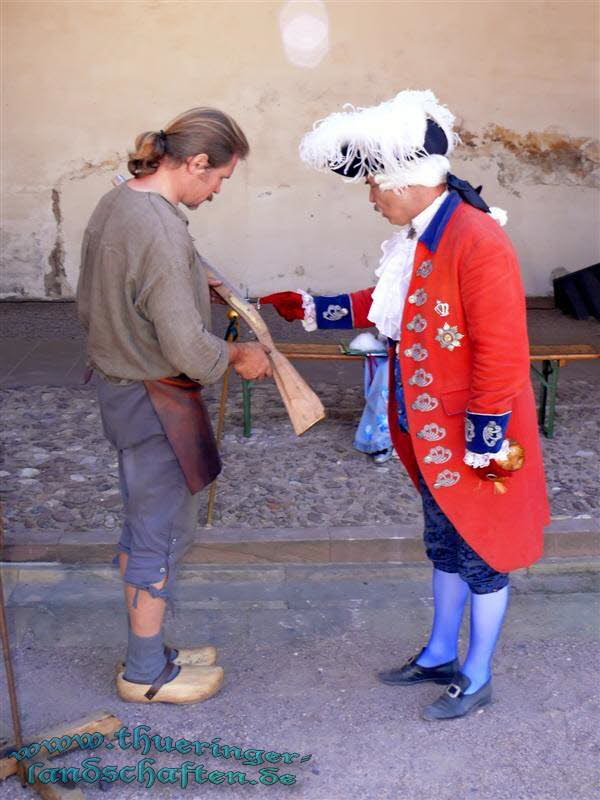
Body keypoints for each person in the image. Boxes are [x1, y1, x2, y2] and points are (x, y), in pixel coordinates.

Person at [261, 90, 550, 720]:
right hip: (429, 430)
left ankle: (476, 673)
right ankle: (442, 651)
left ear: (408, 182)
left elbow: (503, 353)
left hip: (475, 435)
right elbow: (391, 300)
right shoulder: (426, 231)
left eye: (375, 185)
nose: (371, 197)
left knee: (484, 551)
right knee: (444, 544)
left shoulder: (477, 239)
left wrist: (485, 444)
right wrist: (314, 308)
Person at [77, 107, 272, 704]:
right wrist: (240, 359)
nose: (215, 191)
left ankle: (151, 646)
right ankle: (143, 673)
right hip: (153, 398)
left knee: (152, 525)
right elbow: (188, 347)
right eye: (218, 179)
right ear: (194, 163)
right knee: (155, 535)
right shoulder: (159, 229)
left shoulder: (122, 201)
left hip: (127, 387)